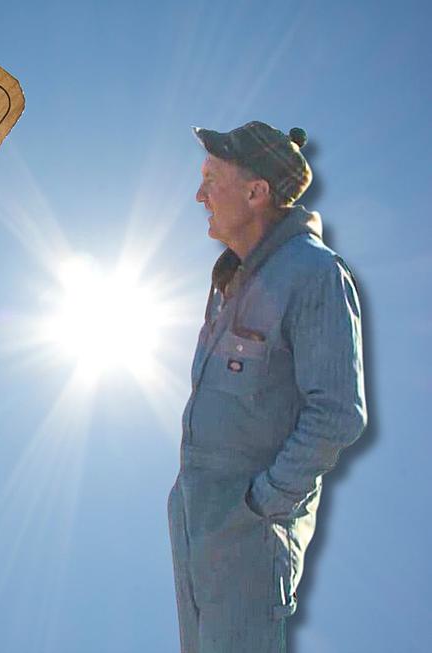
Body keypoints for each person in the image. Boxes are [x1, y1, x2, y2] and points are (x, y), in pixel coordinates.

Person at [167, 121, 367, 652]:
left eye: (213, 178)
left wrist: (260, 506)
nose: (200, 194)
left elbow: (338, 414)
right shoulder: (233, 283)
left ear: (256, 193)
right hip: (199, 519)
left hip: (249, 529)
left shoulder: (313, 272)